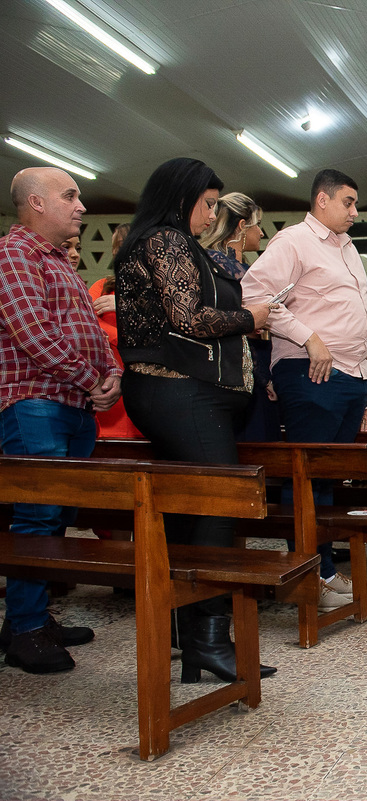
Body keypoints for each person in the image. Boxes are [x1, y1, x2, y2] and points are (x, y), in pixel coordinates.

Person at [113, 157, 275, 682]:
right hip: (178, 391)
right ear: (181, 198)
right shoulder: (165, 240)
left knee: (188, 510)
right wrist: (252, 317)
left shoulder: (172, 244)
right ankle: (208, 637)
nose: (212, 215)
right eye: (207, 204)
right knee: (215, 507)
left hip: (180, 393)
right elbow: (189, 319)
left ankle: (191, 636)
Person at [0, 167, 120, 674]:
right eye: (70, 196)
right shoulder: (15, 254)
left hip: (69, 404)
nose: (81, 206)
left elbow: (90, 332)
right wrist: (92, 379)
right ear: (36, 202)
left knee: (57, 514)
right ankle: (24, 629)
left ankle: (33, 615)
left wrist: (111, 372)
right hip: (35, 402)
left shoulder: (59, 263)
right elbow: (32, 332)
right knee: (35, 514)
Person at [240, 169, 367, 613]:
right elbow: (253, 295)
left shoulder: (348, 248)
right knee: (306, 478)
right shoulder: (293, 241)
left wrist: (365, 356)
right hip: (311, 371)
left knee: (328, 478)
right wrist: (307, 336)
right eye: (348, 202)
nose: (355, 212)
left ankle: (323, 567)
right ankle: (304, 572)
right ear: (322, 199)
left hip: (350, 374)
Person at [199, 191, 279, 441]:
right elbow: (236, 328)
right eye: (258, 226)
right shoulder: (229, 268)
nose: (262, 234)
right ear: (242, 226)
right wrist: (263, 377)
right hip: (242, 363)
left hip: (236, 361)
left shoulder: (215, 261)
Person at [88, 224, 140, 439]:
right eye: (117, 246)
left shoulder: (157, 292)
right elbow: (90, 328)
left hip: (142, 384)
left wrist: (124, 306)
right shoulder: (101, 286)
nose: (121, 252)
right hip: (108, 383)